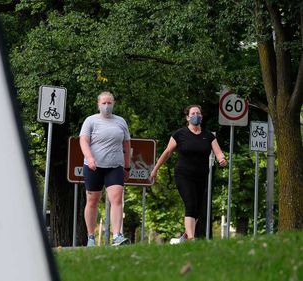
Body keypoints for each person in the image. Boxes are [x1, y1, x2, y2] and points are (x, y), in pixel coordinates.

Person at [150, 105, 227, 242]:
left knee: (197, 208)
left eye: (198, 113)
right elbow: (167, 152)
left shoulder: (208, 136)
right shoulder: (180, 134)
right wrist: (155, 169)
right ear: (187, 117)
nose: (196, 115)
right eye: (193, 113)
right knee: (190, 204)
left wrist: (222, 159)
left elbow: (218, 152)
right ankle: (191, 238)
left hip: (201, 175)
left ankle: (185, 236)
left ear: (201, 117)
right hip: (183, 175)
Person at [79, 91, 131, 247]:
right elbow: (83, 141)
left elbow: (127, 145)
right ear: (98, 104)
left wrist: (127, 166)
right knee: (92, 200)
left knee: (116, 199)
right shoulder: (91, 121)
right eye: (104, 103)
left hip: (114, 166)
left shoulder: (120, 122)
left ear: (114, 103)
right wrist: (90, 157)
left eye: (109, 103)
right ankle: (90, 237)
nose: (107, 106)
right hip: (93, 167)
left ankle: (117, 235)